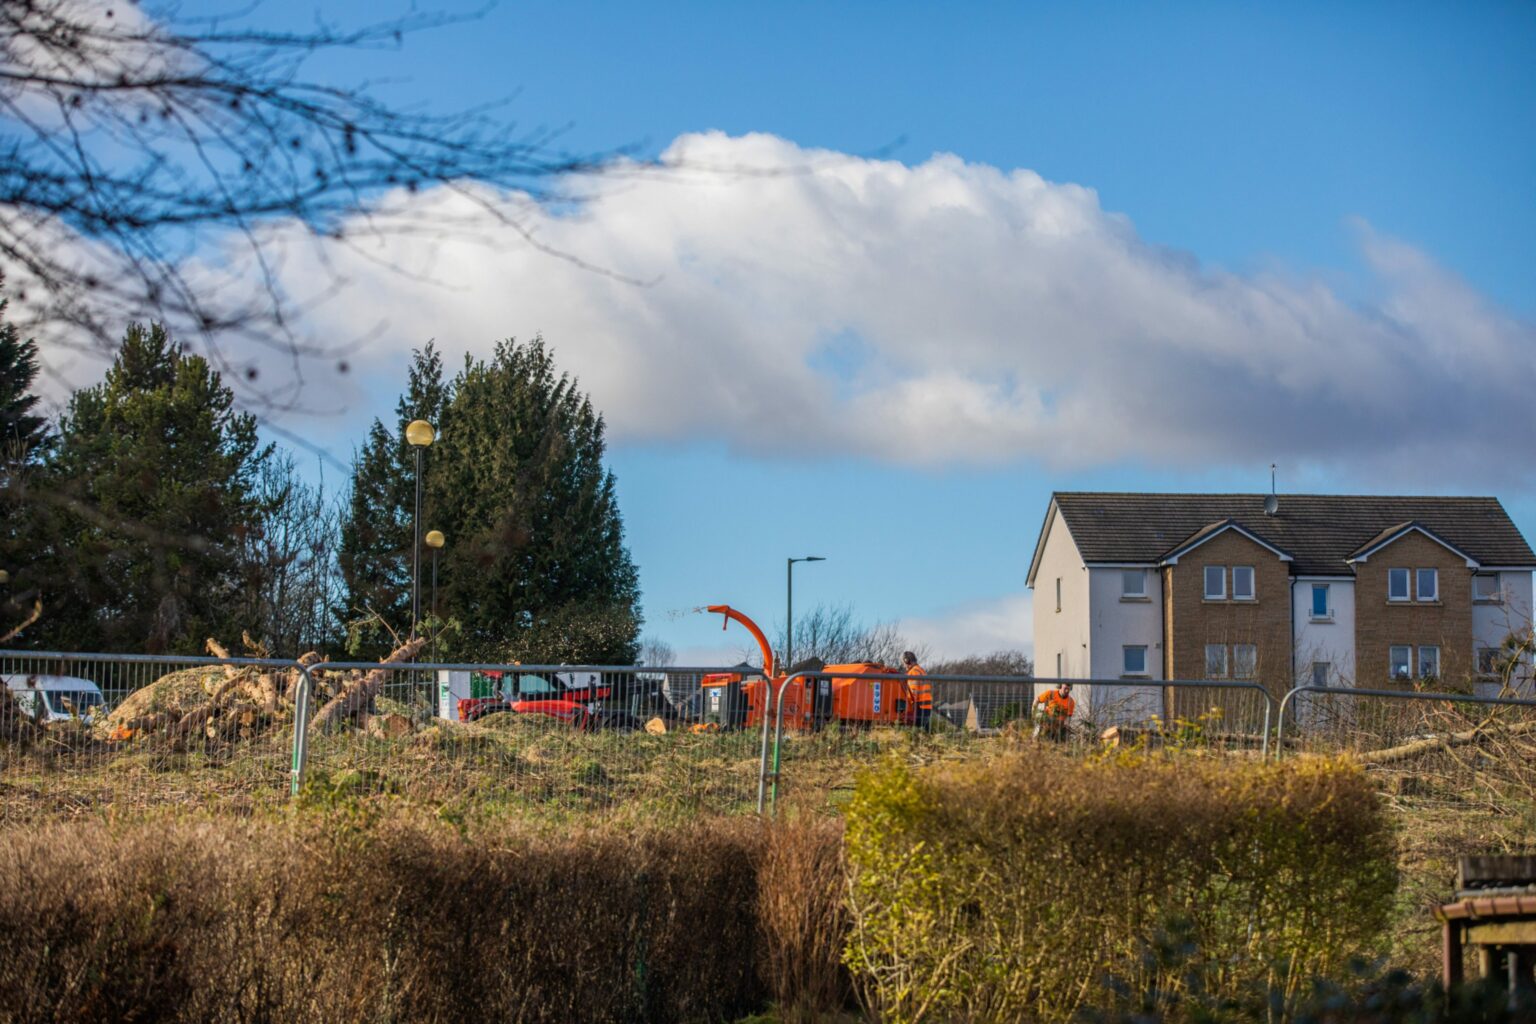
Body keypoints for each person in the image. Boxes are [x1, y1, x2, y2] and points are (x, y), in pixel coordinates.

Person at [902, 651, 932, 728]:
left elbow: (913, 693)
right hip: (926, 707)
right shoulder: (921, 670)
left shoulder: (913, 672)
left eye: (904, 663)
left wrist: (907, 705)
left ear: (907, 661)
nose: (904, 665)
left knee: (916, 733)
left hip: (919, 708)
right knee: (924, 733)